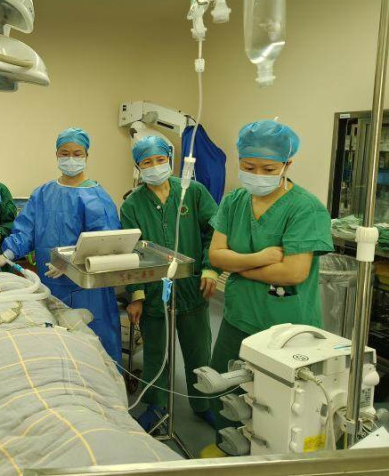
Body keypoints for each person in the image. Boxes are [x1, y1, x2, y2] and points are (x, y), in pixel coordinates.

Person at [201, 120, 333, 458]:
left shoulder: (305, 207)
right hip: (238, 319)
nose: (257, 174)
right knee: (226, 395)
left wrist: (236, 264)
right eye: (248, 167)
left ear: (287, 165)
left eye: (268, 169)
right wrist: (259, 258)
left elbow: (293, 272)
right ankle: (229, 453)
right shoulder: (234, 201)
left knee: (278, 408)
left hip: (286, 329)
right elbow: (215, 256)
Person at [0, 127, 122, 362]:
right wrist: (6, 254)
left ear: (86, 155)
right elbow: (26, 230)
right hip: (50, 286)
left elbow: (104, 244)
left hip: (88, 290)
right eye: (65, 153)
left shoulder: (96, 196)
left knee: (92, 352)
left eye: (77, 154)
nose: (71, 159)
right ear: (57, 155)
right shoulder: (42, 194)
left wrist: (70, 263)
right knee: (56, 351)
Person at [120, 136, 218, 432]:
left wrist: (211, 268)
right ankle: (156, 405)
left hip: (192, 289)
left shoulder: (193, 192)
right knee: (156, 354)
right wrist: (136, 295)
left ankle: (203, 404)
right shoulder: (132, 205)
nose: (155, 166)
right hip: (153, 293)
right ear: (138, 167)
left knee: (199, 352)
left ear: (170, 160)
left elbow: (214, 233)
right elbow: (131, 252)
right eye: (147, 162)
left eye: (160, 160)